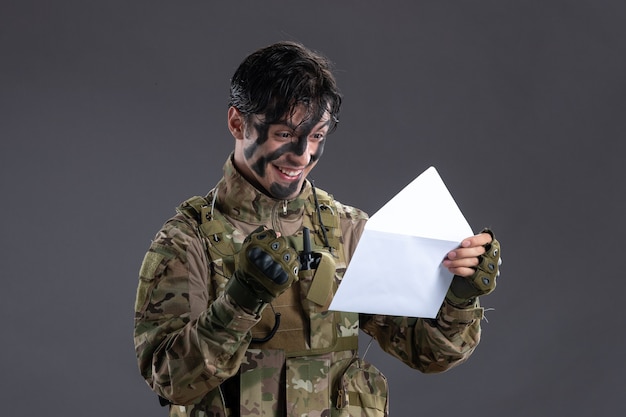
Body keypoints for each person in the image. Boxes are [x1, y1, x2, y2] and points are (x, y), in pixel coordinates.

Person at [134, 41, 502, 417]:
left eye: (316, 137)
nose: (302, 155)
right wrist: (241, 300)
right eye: (283, 135)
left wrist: (457, 299)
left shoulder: (347, 230)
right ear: (237, 123)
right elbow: (170, 380)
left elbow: (429, 354)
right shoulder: (187, 241)